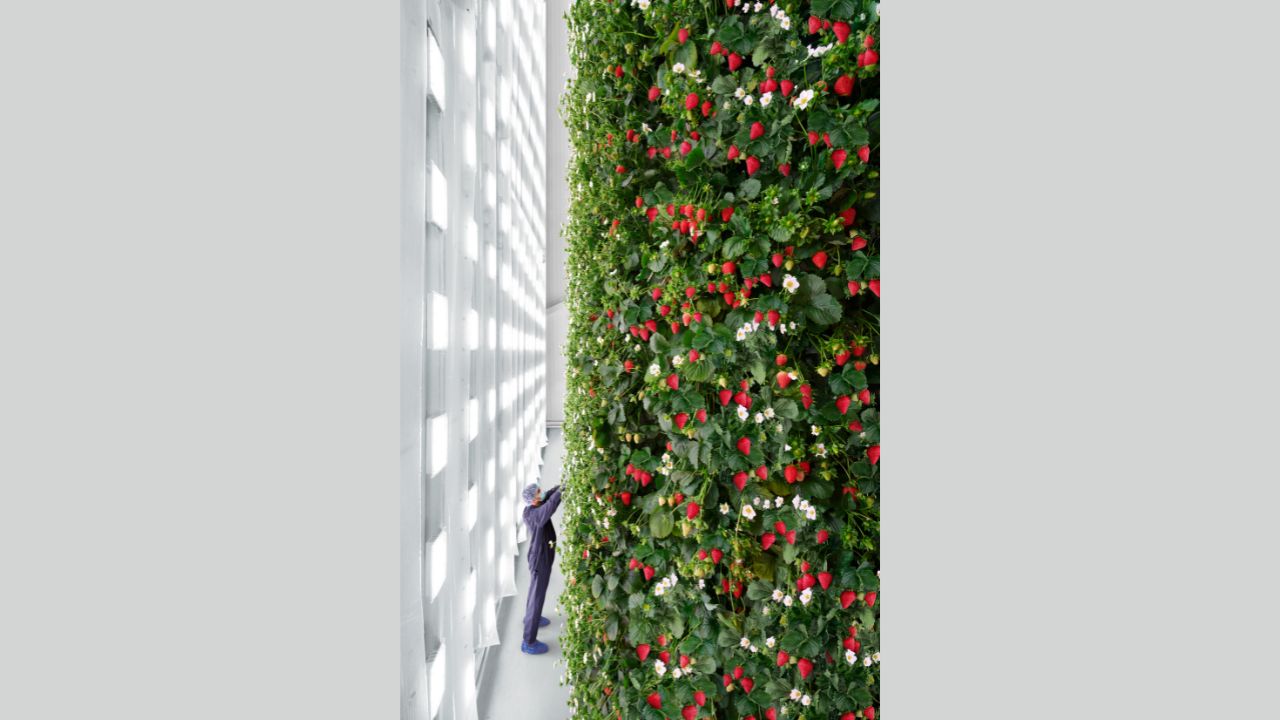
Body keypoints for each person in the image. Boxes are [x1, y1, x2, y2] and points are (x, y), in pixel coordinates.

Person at [520, 482, 562, 655]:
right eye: (539, 491)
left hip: (539, 557)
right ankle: (528, 641)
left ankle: (532, 619)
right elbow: (549, 507)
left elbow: (548, 498)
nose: (542, 492)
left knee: (534, 593)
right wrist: (561, 493)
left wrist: (559, 488)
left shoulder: (533, 507)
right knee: (537, 597)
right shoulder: (535, 515)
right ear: (533, 499)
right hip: (540, 560)